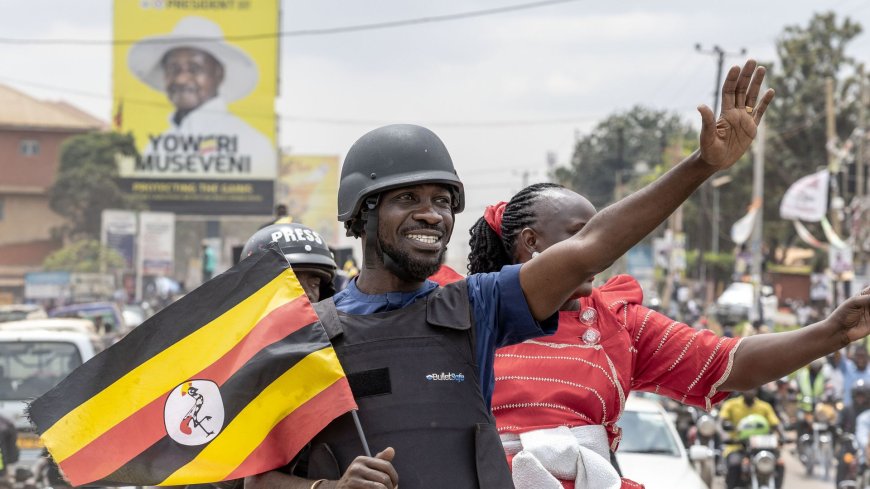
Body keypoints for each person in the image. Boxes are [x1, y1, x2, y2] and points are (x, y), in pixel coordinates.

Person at [245, 59, 784, 489]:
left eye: (442, 200)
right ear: (361, 216)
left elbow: (591, 246)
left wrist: (702, 165)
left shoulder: (475, 308)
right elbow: (253, 476)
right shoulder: (307, 334)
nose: (431, 213)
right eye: (408, 198)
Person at [127, 16, 275, 180]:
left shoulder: (251, 144)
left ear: (218, 74)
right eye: (173, 69)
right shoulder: (156, 147)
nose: (181, 79)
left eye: (194, 68)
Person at [719, 389, 784, 489]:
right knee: (735, 464)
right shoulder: (731, 404)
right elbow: (721, 423)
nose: (750, 391)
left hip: (761, 446)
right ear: (742, 389)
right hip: (737, 446)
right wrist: (725, 435)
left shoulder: (765, 406)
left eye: (753, 388)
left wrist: (782, 435)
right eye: (747, 388)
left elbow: (775, 423)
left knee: (779, 464)